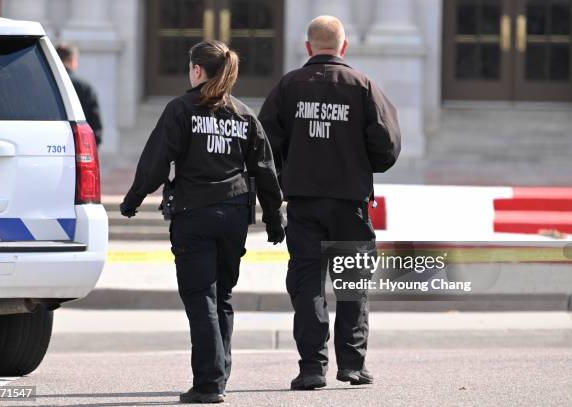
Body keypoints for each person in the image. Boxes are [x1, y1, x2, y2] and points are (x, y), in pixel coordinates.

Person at [120, 40, 284, 403]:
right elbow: (266, 171)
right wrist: (274, 219)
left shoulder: (181, 109)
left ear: (196, 70)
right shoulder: (244, 115)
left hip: (194, 214)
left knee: (200, 298)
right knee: (221, 296)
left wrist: (133, 200)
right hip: (235, 214)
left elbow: (156, 161)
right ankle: (219, 376)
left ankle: (209, 383)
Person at [258, 15, 401, 390]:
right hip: (350, 204)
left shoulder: (288, 86)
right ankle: (352, 365)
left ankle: (312, 368)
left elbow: (263, 147)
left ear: (308, 47)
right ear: (344, 47)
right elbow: (387, 147)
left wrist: (284, 175)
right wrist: (359, 162)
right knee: (353, 285)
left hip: (304, 204)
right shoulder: (363, 86)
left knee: (307, 286)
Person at [55, 43, 103, 146]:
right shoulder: (85, 87)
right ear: (73, 60)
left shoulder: (45, 84)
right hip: (80, 147)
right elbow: (95, 126)